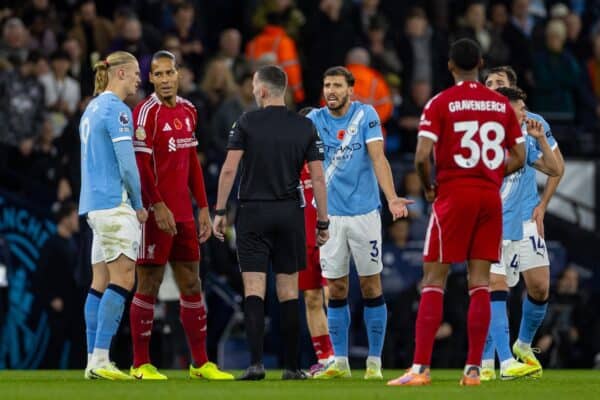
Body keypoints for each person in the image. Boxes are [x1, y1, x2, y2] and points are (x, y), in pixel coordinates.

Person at [387, 38, 526, 387]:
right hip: (489, 198)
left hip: (454, 193)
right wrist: (492, 173)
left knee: (434, 281)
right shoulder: (501, 105)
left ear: (450, 66)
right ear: (481, 62)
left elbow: (421, 156)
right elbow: (520, 156)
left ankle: (419, 369)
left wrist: (429, 185)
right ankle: (474, 371)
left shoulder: (440, 102)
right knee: (480, 284)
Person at [212, 65, 329, 380]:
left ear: (262, 90)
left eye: (253, 85)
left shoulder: (246, 122)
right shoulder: (304, 126)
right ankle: (291, 367)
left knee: (254, 288)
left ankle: (256, 364)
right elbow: (318, 177)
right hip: (290, 212)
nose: (252, 90)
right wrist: (322, 221)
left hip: (253, 212)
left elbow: (227, 170)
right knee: (289, 290)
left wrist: (220, 212)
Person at [129, 50, 233, 381]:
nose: (164, 79)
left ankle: (200, 364)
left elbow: (191, 164)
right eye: (157, 74)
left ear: (178, 74)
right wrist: (157, 205)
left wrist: (204, 207)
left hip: (185, 215)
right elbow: (141, 168)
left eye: (168, 73)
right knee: (149, 284)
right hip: (156, 215)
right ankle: (140, 364)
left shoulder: (189, 110)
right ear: (151, 79)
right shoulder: (145, 113)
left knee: (192, 283)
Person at [308, 66, 412, 380]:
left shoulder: (365, 115)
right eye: (327, 85)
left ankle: (374, 363)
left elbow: (378, 157)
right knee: (335, 289)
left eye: (337, 86)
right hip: (329, 217)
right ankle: (339, 362)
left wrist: (392, 197)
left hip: (364, 212)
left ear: (351, 90)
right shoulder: (313, 120)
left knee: (370, 286)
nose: (331, 91)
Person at [481, 65, 564, 380]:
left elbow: (556, 169)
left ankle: (522, 346)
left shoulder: (531, 127)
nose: (491, 87)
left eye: (498, 84)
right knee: (496, 289)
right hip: (492, 222)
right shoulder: (480, 131)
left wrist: (540, 139)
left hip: (526, 219)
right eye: (487, 83)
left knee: (540, 287)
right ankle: (497, 362)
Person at [79, 50, 148, 380]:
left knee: (100, 282)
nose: (139, 79)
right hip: (114, 204)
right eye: (136, 73)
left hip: (94, 205)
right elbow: (128, 164)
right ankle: (102, 359)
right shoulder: (118, 111)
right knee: (124, 280)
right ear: (120, 73)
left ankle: (93, 359)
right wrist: (138, 203)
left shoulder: (91, 109)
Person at [297, 106, 334, 376]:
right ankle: (325, 358)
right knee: (311, 298)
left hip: (331, 234)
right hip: (302, 237)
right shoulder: (289, 161)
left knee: (334, 295)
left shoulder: (333, 157)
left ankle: (339, 357)